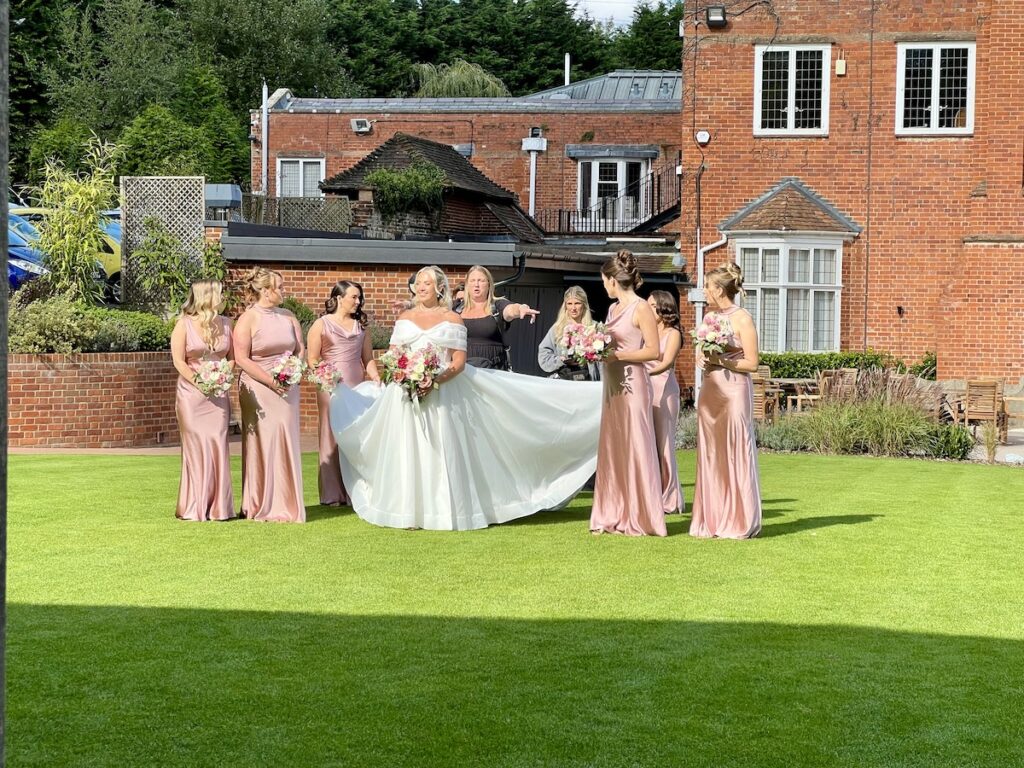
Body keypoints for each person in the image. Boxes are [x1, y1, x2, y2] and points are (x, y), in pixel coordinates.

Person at [330, 265, 603, 531]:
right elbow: (393, 354)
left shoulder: (452, 319)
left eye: (427, 283)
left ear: (439, 288)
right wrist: (405, 375)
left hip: (442, 393)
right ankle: (407, 509)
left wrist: (433, 379)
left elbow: (458, 361)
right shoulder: (404, 318)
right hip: (405, 394)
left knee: (439, 449)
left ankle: (443, 509)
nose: (421, 287)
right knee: (408, 448)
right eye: (419, 284)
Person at [589, 250, 666, 537]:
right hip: (612, 385)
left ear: (612, 280)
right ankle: (613, 512)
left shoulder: (641, 307)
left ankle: (641, 516)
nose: (603, 286)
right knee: (614, 447)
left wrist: (618, 357)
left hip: (634, 385)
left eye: (603, 281)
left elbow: (653, 350)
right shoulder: (612, 310)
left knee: (636, 446)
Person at [690, 262, 762, 539]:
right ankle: (712, 519)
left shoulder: (742, 318)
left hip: (733, 393)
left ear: (719, 289)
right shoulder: (709, 318)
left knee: (735, 451)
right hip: (710, 392)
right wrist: (700, 355)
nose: (704, 291)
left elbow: (752, 363)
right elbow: (703, 347)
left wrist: (720, 360)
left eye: (707, 286)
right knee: (711, 453)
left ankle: (739, 519)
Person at [233, 267, 306, 523]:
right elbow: (241, 357)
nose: (284, 291)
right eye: (280, 287)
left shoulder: (288, 316)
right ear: (265, 291)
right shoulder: (248, 319)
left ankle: (286, 502)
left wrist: (292, 371)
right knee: (263, 440)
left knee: (285, 435)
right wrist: (271, 381)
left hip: (287, 387)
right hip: (258, 387)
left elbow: (300, 348)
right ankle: (259, 503)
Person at [307, 280, 381, 506]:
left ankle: (354, 491)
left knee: (355, 437)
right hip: (330, 387)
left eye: (360, 298)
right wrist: (326, 376)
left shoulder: (361, 328)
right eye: (353, 297)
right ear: (339, 298)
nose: (358, 302)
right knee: (330, 436)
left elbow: (367, 359)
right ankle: (331, 494)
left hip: (356, 387)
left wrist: (376, 377)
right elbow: (312, 359)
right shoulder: (321, 324)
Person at [171, 280, 235, 521]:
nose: (223, 296)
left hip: (218, 394)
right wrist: (199, 381)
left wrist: (222, 375)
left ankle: (219, 508)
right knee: (196, 446)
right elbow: (178, 361)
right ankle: (194, 506)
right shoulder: (183, 325)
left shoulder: (228, 324)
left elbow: (232, 358)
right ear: (207, 296)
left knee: (218, 442)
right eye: (219, 293)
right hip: (191, 394)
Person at [646, 290, 685, 515]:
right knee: (649, 444)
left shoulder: (673, 334)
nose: (648, 310)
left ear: (663, 308)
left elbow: (667, 362)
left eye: (652, 306)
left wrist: (643, 371)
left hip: (664, 390)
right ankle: (652, 494)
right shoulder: (647, 333)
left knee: (664, 445)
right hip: (646, 390)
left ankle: (670, 498)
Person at [458, 265, 539, 369]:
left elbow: (510, 310)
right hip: (462, 372)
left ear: (489, 284)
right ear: (467, 285)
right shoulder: (456, 308)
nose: (476, 285)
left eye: (481, 281)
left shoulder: (497, 305)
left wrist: (520, 309)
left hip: (493, 371)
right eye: (472, 281)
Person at [538, 285, 601, 381]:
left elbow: (605, 360)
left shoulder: (594, 328)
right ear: (565, 306)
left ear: (584, 304)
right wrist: (562, 360)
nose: (573, 308)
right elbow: (543, 357)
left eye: (577, 303)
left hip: (588, 382)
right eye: (570, 303)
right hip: (564, 382)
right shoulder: (557, 329)